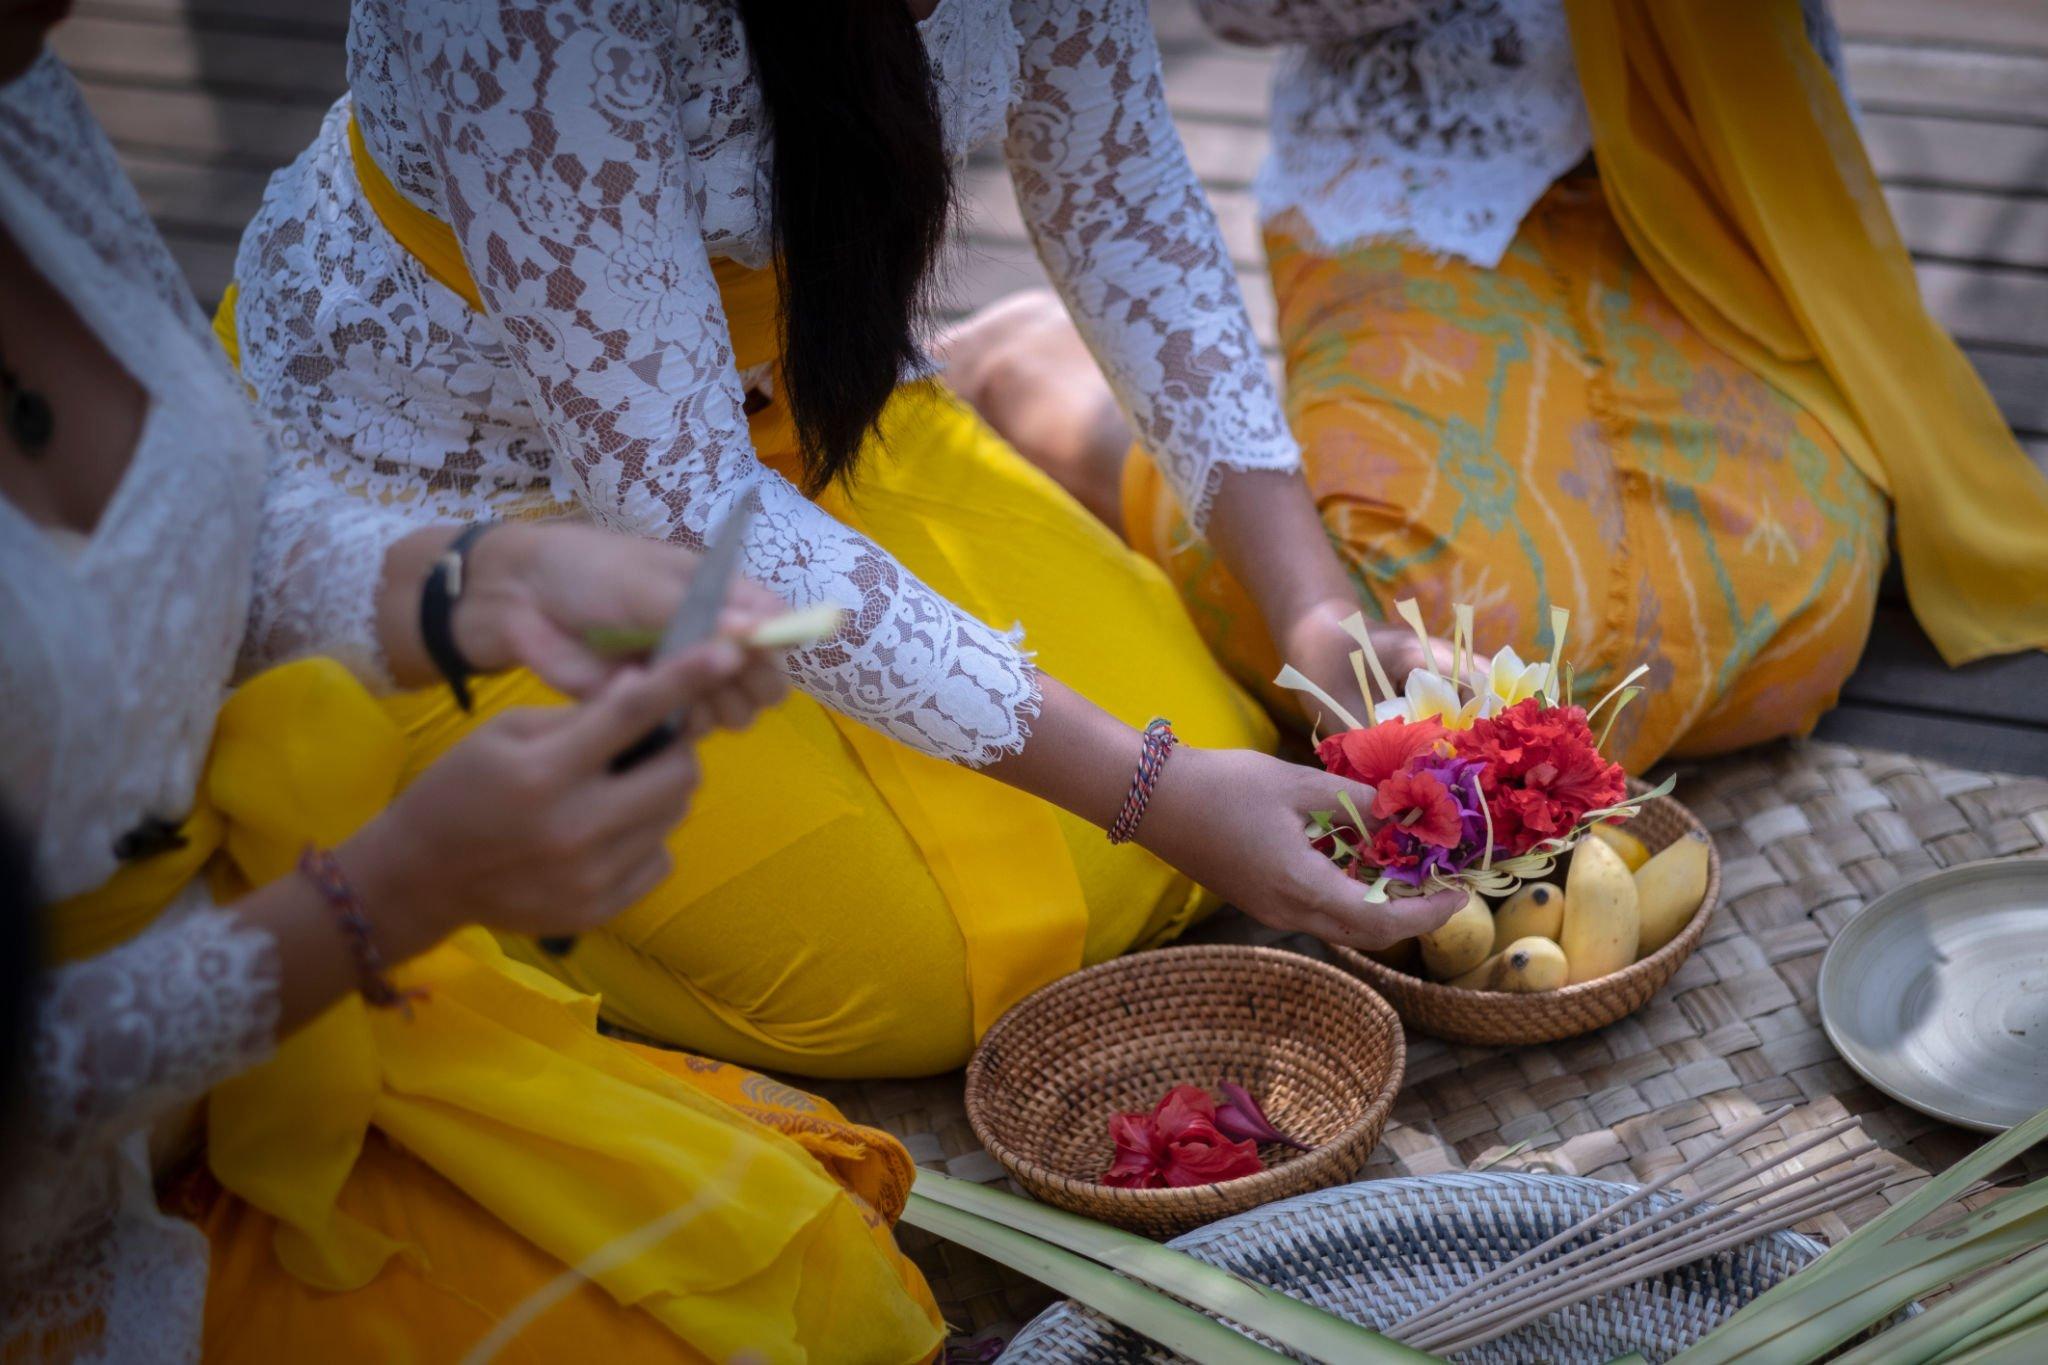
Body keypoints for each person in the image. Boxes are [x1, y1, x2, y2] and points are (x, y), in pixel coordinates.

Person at [223, 0, 1466, 1079]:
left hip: (811, 412)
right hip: (474, 501)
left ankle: (1002, 383)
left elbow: (1116, 189)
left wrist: (1317, 618)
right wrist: (1154, 791)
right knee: (908, 978)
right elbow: (678, 501)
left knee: (1213, 763)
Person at [0, 19, 945, 1363]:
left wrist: (477, 582)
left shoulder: (23, 104)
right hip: (80, 1209)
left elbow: (196, 519)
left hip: (283, 1034)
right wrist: (388, 895)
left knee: (822, 1273)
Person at [948, 0, 2048, 773]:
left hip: (1716, 179)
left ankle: (1305, 443)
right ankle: (1054, 386)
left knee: (1789, 639)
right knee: (1445, 656)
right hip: (1424, 175)